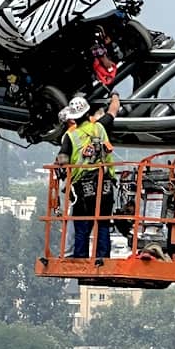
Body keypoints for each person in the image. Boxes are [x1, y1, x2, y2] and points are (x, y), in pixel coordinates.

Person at [55, 93, 121, 258]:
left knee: (82, 224)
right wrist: (115, 95)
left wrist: (61, 171)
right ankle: (102, 258)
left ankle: (80, 257)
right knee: (103, 223)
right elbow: (113, 110)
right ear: (87, 112)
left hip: (83, 187)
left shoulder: (71, 136)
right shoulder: (100, 127)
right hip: (105, 183)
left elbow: (62, 160)